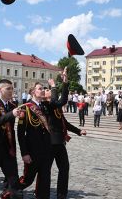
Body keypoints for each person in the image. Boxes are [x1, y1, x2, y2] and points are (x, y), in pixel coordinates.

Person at [44, 68, 86, 199]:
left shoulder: (55, 106)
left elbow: (64, 122)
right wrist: (54, 86)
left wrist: (78, 131)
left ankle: (62, 194)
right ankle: (41, 192)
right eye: (46, 90)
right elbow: (59, 101)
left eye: (49, 89)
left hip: (59, 142)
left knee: (64, 168)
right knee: (45, 171)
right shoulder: (46, 105)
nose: (49, 91)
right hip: (49, 142)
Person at [17, 81, 52, 198]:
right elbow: (20, 134)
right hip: (33, 151)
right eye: (40, 88)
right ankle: (10, 192)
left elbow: (60, 102)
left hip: (46, 150)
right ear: (33, 92)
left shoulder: (45, 107)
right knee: (28, 179)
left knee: (45, 180)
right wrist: (24, 153)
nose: (43, 90)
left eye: (43, 88)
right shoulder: (26, 108)